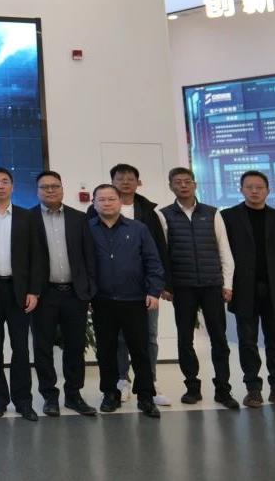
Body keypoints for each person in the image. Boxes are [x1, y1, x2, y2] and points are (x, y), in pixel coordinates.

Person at [88, 163, 172, 405]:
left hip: (136, 298)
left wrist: (154, 290)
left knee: (140, 347)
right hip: (102, 300)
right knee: (107, 349)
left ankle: (146, 396)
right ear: (94, 204)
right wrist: (87, 295)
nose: (107, 203)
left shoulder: (139, 228)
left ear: (120, 202)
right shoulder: (87, 229)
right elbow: (82, 264)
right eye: (101, 200)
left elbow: (153, 260)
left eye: (111, 199)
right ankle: (110, 393)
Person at [222, 170, 275, 410]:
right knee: (247, 341)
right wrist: (225, 284)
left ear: (268, 190)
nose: (254, 191)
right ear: (241, 189)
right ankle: (253, 390)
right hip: (243, 289)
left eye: (259, 187)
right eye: (249, 187)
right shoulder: (228, 217)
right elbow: (221, 254)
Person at [155, 167, 237, 409]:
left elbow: (224, 249)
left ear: (195, 184)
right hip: (183, 287)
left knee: (219, 338)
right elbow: (163, 254)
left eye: (187, 181)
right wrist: (166, 285)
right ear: (171, 186)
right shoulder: (163, 215)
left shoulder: (212, 213)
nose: (183, 185)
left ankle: (223, 389)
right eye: (178, 182)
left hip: (212, 285)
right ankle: (192, 387)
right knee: (185, 339)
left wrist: (228, 283)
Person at [0, 166, 46, 422]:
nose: (0, 185)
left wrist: (34, 291)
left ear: (12, 186)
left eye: (5, 181)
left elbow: (37, 256)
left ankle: (23, 401)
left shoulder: (26, 217)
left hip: (19, 291)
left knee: (21, 349)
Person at [30, 170, 97, 417]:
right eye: (44, 187)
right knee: (43, 347)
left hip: (74, 293)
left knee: (75, 346)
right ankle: (49, 396)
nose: (50, 190)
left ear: (62, 189)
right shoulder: (28, 218)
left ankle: (73, 395)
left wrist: (89, 290)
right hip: (43, 293)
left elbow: (89, 256)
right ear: (37, 191)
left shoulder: (79, 218)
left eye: (54, 186)